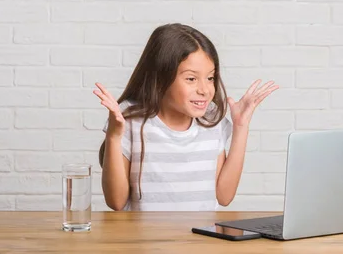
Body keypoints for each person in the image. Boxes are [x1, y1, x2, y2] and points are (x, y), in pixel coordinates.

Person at [93, 23, 278, 211]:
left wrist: (241, 127)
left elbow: (224, 196)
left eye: (210, 78)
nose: (205, 90)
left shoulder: (211, 119)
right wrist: (114, 136)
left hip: (200, 238)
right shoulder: (130, 119)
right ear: (161, 78)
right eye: (191, 79)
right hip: (145, 239)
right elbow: (116, 202)